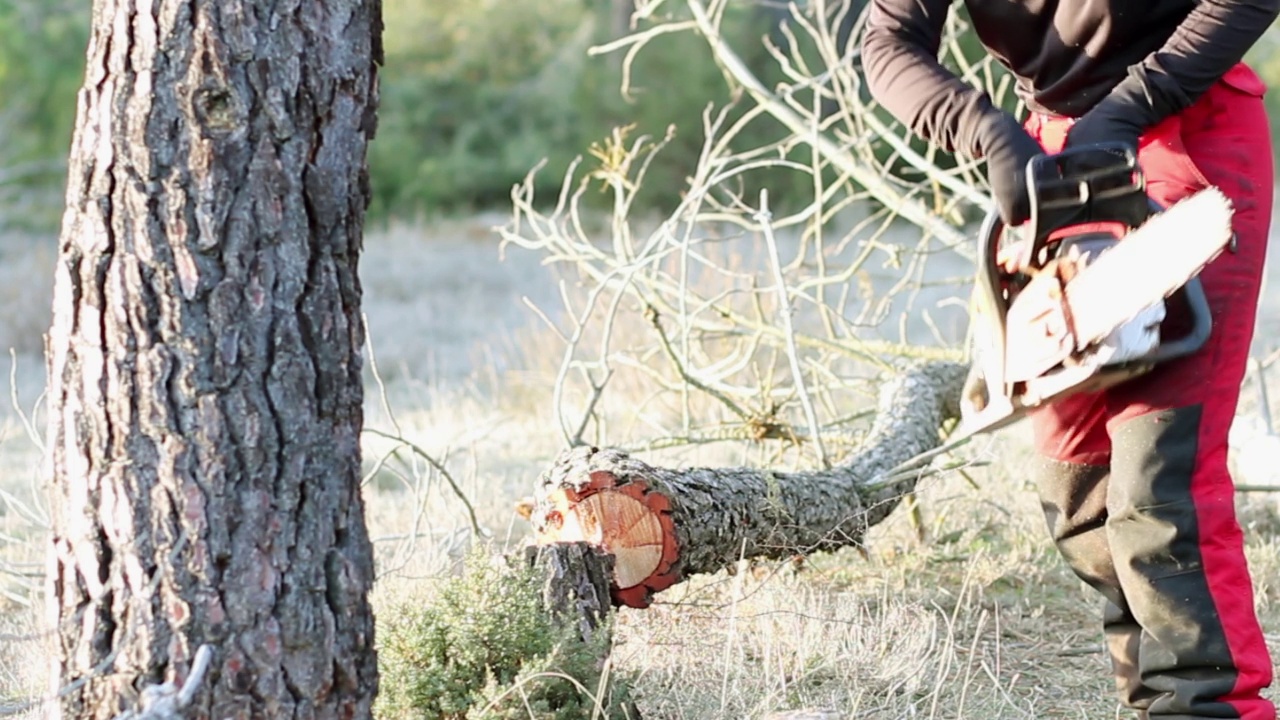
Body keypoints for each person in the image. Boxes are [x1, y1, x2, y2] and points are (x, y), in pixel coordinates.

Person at [860, 1, 1280, 718]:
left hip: (1187, 123)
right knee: (1076, 488)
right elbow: (889, 39)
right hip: (1048, 156)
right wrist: (986, 133)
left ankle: (1210, 707)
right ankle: (1155, 698)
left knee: (1158, 476)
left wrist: (1130, 107)